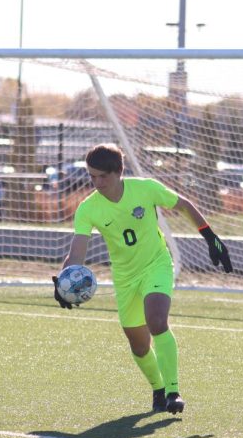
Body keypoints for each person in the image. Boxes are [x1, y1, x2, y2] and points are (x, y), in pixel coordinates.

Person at [52, 143, 233, 415]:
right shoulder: (88, 209)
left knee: (157, 321)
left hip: (156, 265)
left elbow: (184, 205)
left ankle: (173, 391)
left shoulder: (146, 188)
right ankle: (158, 388)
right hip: (125, 278)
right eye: (92, 176)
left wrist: (211, 238)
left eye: (103, 176)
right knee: (139, 346)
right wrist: (63, 283)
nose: (96, 182)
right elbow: (76, 253)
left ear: (118, 172)